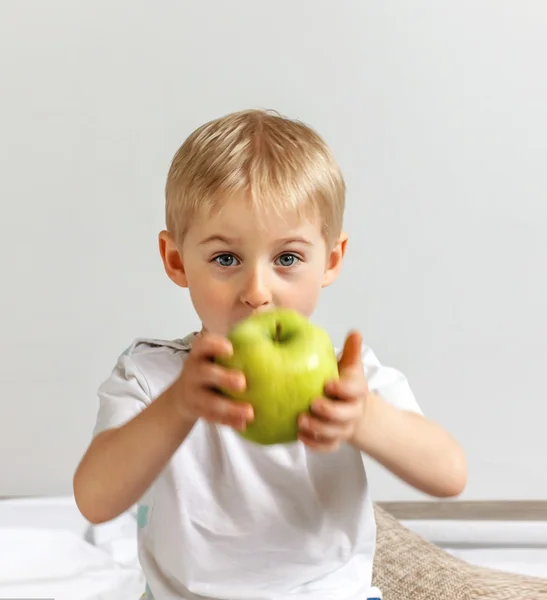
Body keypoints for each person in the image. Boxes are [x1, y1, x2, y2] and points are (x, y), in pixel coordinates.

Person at [73, 109, 467, 600]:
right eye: (226, 259)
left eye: (287, 259)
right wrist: (177, 407)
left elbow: (450, 474)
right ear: (177, 261)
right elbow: (94, 500)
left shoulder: (346, 375)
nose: (257, 292)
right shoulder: (152, 376)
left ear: (331, 260)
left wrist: (364, 417)